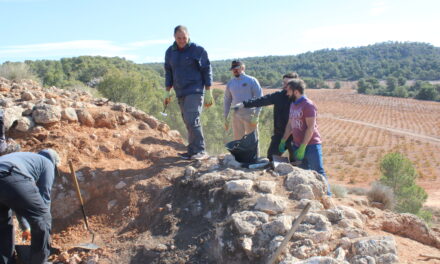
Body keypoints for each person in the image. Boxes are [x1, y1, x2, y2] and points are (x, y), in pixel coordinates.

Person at [0, 149, 60, 264]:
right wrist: (44, 231)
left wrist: (26, 227)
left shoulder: (25, 159)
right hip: (10, 174)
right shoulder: (47, 163)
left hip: (6, 175)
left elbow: (19, 203)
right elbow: (44, 200)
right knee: (42, 217)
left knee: (3, 224)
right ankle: (39, 261)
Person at [164, 25, 213, 160]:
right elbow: (168, 71)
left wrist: (209, 90)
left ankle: (201, 151)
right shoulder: (170, 52)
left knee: (192, 119)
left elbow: (206, 70)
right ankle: (192, 151)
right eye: (179, 38)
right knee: (187, 121)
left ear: (188, 36)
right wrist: (167, 91)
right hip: (180, 91)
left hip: (195, 90)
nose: (181, 40)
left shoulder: (198, 50)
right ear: (174, 37)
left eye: (184, 37)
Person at [279, 79, 331, 195]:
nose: (287, 93)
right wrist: (283, 140)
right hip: (297, 145)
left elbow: (310, 128)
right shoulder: (293, 104)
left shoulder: (308, 105)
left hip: (311, 145)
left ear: (296, 91)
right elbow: (290, 124)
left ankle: (328, 197)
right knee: (304, 174)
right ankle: (308, 197)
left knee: (318, 172)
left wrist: (303, 146)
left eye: (288, 91)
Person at [232, 72, 298, 161]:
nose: (284, 85)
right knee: (271, 157)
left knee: (296, 161)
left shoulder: (300, 100)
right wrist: (244, 104)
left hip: (295, 136)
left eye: (287, 83)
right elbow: (262, 100)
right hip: (279, 135)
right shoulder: (278, 96)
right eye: (284, 83)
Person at [224, 60, 262, 141]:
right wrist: (225, 117)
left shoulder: (252, 80)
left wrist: (256, 115)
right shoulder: (230, 83)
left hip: (250, 115)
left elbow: (260, 98)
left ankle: (255, 154)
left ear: (242, 68)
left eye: (237, 68)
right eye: (233, 69)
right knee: (238, 141)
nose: (235, 70)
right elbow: (227, 101)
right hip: (236, 115)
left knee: (252, 140)